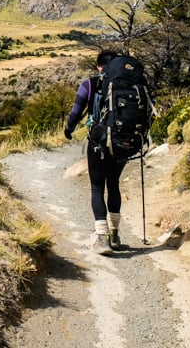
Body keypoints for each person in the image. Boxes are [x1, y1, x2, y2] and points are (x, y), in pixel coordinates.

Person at [64, 50, 124, 255]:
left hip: (98, 142)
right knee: (114, 184)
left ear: (99, 66)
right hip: (121, 142)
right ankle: (115, 235)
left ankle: (101, 238)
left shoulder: (90, 84)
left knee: (97, 188)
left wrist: (68, 130)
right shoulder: (126, 85)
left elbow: (75, 112)